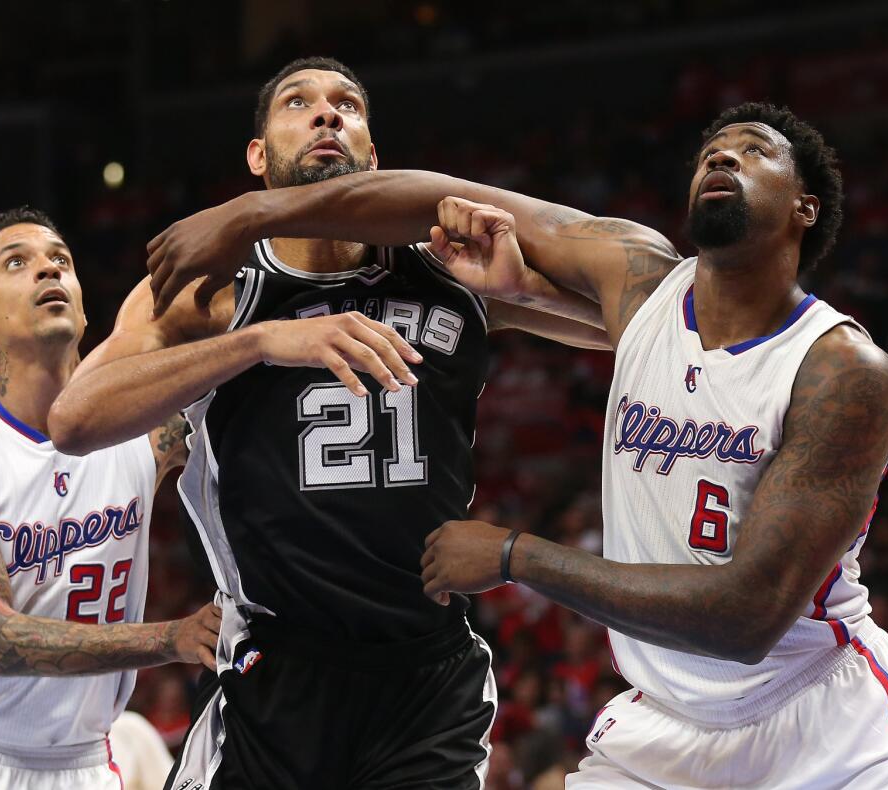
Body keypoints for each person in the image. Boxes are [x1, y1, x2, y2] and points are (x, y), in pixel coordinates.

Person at [143, 102, 888, 787]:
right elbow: (449, 197)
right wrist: (255, 213)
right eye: (712, 150)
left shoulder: (841, 369)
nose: (722, 157)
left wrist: (515, 556)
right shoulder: (638, 281)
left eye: (753, 152)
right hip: (663, 729)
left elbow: (744, 617)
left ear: (804, 206)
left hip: (823, 721)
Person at [49, 57, 608, 790]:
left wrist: (521, 285)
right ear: (258, 156)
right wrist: (259, 343)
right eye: (297, 102)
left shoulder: (448, 267)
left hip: (426, 677)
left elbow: (638, 325)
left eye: (346, 103)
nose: (326, 113)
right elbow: (74, 418)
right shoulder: (220, 291)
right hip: (278, 670)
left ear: (373, 158)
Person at [0, 208, 221, 790]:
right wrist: (171, 638)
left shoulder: (150, 428)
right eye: (16, 262)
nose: (47, 269)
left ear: (81, 301)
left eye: (61, 260)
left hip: (82, 767)